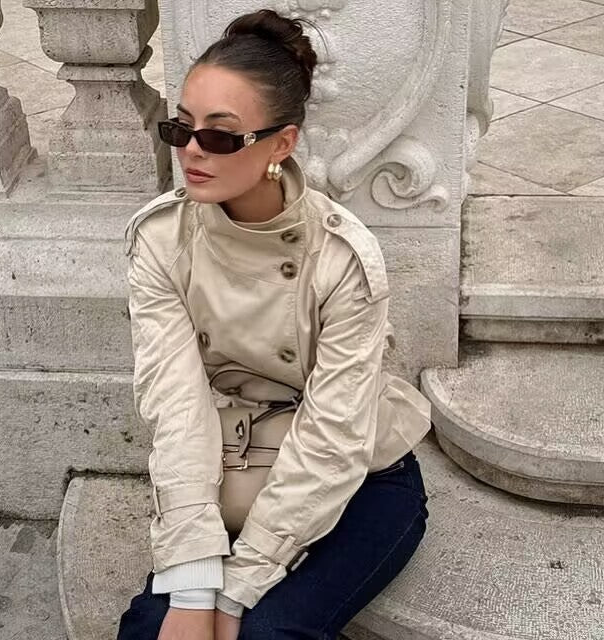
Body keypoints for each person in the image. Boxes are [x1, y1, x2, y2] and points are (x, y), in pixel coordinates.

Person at [117, 8, 432, 640]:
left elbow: (335, 435)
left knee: (268, 631)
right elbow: (176, 409)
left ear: (281, 145)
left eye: (221, 136)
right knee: (153, 628)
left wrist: (238, 591)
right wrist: (194, 584)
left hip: (359, 478)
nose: (192, 151)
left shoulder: (341, 257)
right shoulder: (160, 240)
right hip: (231, 468)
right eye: (181, 127)